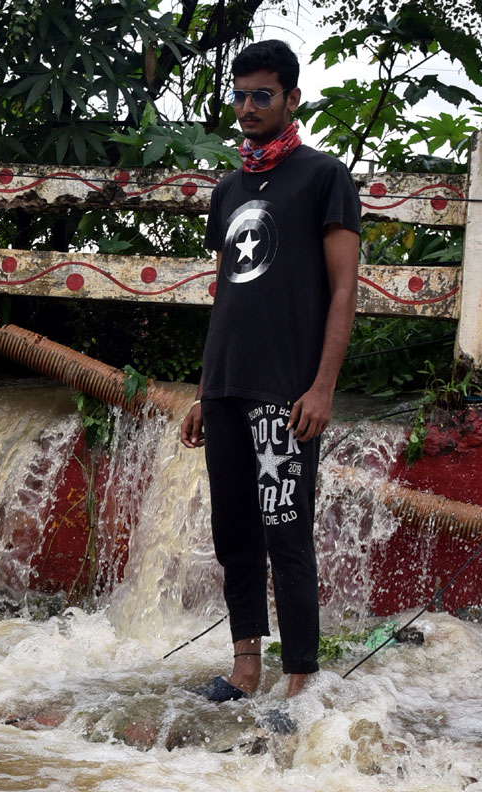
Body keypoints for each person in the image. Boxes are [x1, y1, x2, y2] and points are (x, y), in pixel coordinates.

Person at [180, 39, 361, 701]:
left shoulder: (322, 177)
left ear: (291, 99)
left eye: (263, 95)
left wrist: (321, 386)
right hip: (226, 386)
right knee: (233, 530)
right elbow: (227, 292)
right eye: (240, 94)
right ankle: (245, 668)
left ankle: (300, 679)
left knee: (285, 527)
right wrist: (205, 389)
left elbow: (344, 289)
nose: (248, 107)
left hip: (285, 389)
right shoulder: (229, 189)